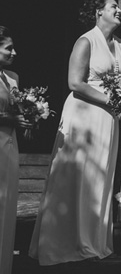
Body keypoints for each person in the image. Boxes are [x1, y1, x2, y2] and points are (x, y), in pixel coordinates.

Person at [29, 0, 121, 265]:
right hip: (84, 114)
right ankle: (66, 242)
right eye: (113, 6)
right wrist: (111, 100)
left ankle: (94, 241)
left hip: (108, 118)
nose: (119, 10)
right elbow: (75, 83)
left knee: (100, 176)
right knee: (78, 175)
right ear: (98, 12)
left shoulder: (120, 45)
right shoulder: (86, 41)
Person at [0, 27, 32, 274]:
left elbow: (17, 110)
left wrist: (31, 114)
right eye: (8, 48)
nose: (14, 52)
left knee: (7, 202)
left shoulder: (12, 77)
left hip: (10, 144)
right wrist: (10, 119)